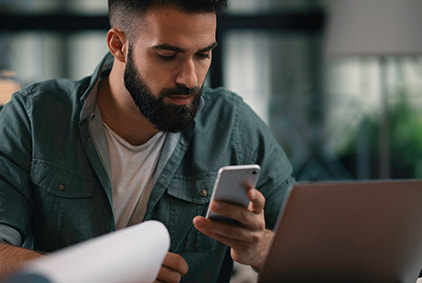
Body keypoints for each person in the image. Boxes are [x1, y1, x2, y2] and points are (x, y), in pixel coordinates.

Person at [0, 0, 295, 282]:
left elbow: (317, 256)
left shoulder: (234, 126)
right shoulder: (34, 117)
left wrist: (261, 248)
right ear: (119, 46)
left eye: (203, 55)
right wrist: (102, 273)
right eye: (167, 56)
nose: (190, 79)